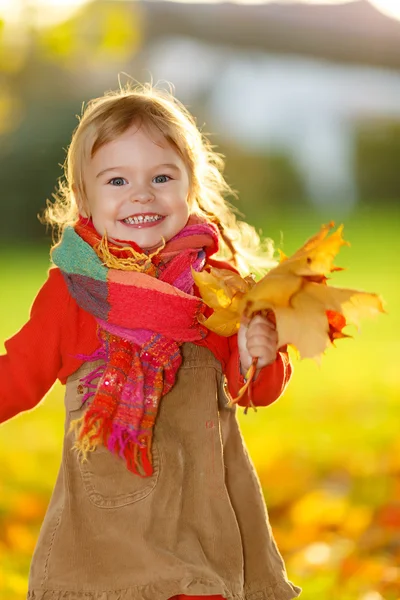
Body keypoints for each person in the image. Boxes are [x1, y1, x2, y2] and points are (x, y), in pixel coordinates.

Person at [0, 84, 301, 600]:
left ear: (191, 189)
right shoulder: (75, 293)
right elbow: (20, 371)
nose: (142, 193)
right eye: (117, 179)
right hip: (110, 525)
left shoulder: (220, 288)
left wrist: (261, 352)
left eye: (162, 177)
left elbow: (256, 390)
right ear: (84, 199)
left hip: (208, 514)